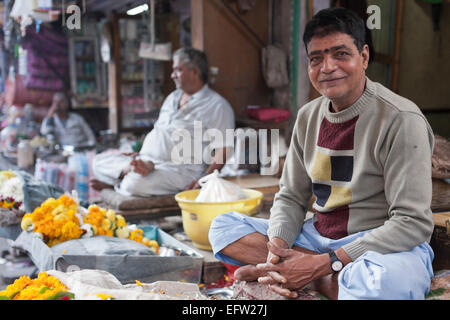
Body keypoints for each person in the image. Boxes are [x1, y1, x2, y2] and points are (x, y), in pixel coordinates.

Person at [208, 7, 435, 300]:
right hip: (316, 238)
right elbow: (291, 197)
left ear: (364, 57)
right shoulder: (307, 116)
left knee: (384, 284)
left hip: (379, 247)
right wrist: (277, 250)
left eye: (340, 54)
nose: (327, 67)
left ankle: (314, 276)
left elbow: (412, 222)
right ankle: (318, 278)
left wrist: (324, 263)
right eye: (316, 58)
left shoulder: (401, 119)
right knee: (223, 227)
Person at [90, 47, 235, 196]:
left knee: (135, 184)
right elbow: (161, 133)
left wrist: (204, 178)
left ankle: (122, 179)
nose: (173, 75)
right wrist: (140, 155)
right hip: (148, 159)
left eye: (178, 70)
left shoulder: (217, 105)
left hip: (179, 170)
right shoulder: (173, 97)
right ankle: (131, 170)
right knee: (98, 161)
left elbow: (224, 149)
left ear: (195, 72)